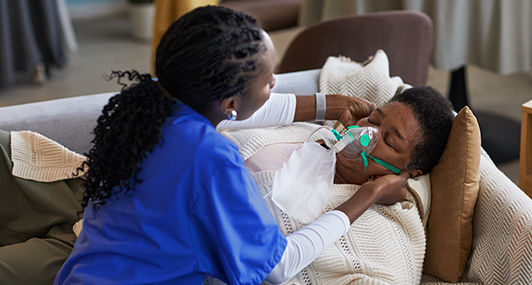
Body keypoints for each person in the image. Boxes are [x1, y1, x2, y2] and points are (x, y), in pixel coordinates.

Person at [54, 5, 414, 285]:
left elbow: (247, 110)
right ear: (230, 103)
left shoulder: (152, 104)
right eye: (269, 81)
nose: (276, 81)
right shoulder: (211, 159)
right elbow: (279, 266)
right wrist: (368, 196)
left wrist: (329, 104)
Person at [220, 86, 454, 284]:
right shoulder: (313, 134)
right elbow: (221, 112)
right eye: (373, 120)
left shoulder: (376, 229)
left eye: (389, 141)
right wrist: (332, 106)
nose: (367, 134)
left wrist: (369, 194)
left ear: (409, 172)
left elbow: (274, 263)